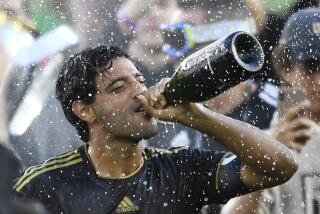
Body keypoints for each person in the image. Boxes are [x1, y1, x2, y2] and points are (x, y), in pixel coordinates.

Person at [13, 45, 298, 213]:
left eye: (139, 80)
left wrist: (197, 116)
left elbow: (281, 166)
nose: (140, 92)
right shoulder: (46, 185)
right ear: (84, 110)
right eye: (119, 88)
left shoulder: (179, 169)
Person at [221, 8, 320, 214]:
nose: (319, 80)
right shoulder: (261, 143)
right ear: (285, 69)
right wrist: (267, 158)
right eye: (310, 67)